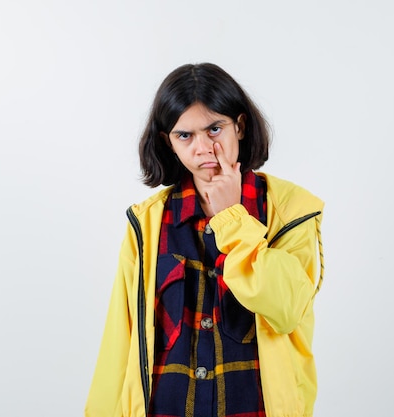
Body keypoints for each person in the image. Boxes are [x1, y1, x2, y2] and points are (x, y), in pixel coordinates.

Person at [85, 63, 325, 417]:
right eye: (185, 135)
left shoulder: (289, 211)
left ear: (239, 127)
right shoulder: (148, 221)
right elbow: (120, 339)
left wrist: (233, 219)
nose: (203, 148)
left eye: (214, 129)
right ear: (169, 141)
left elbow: (286, 309)